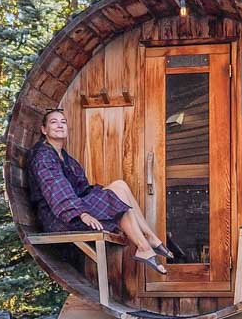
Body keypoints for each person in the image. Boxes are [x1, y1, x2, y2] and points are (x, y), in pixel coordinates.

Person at [27, 108, 172, 275]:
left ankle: (148, 237)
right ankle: (144, 246)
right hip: (59, 217)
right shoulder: (43, 156)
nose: (60, 125)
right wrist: (82, 214)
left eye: (63, 122)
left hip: (75, 207)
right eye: (54, 122)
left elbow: (83, 188)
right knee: (114, 197)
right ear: (44, 130)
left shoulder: (66, 158)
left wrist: (103, 193)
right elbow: (56, 188)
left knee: (119, 186)